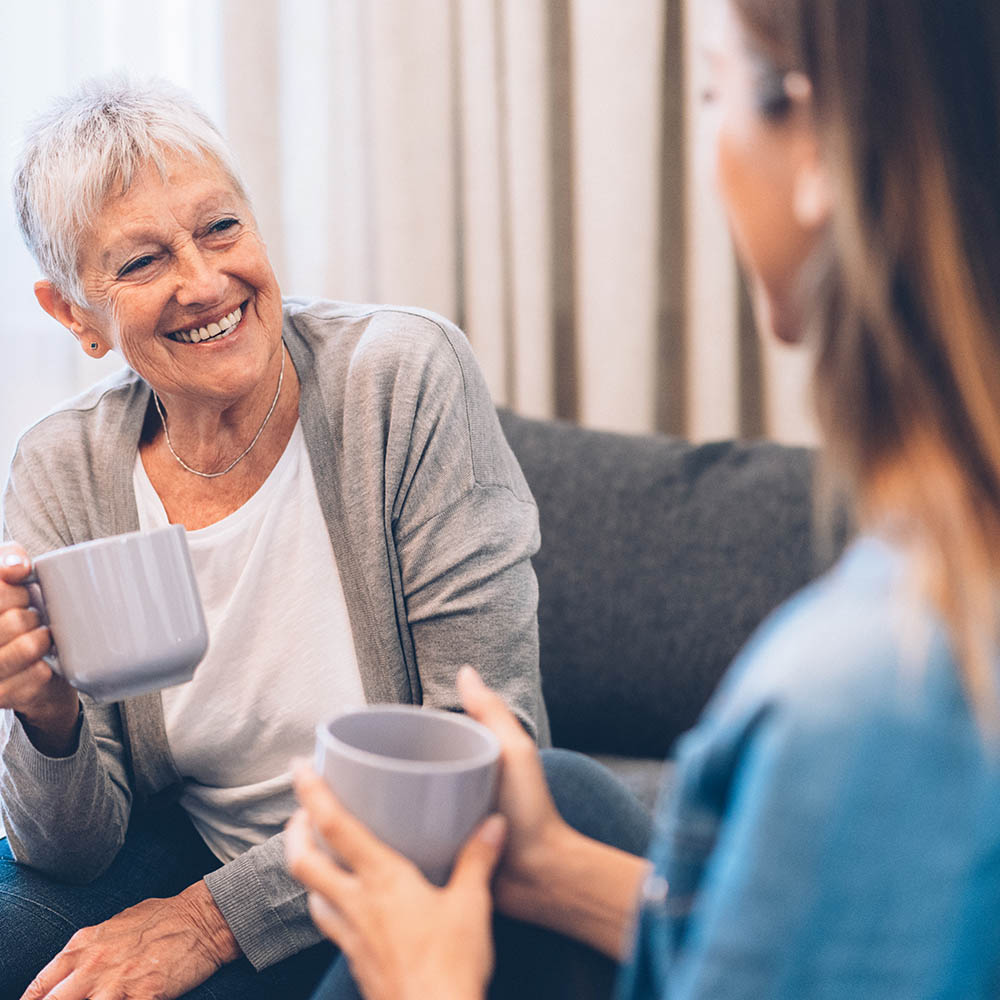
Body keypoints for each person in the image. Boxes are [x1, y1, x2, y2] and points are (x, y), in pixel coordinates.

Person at [286, 0, 1000, 996]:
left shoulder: (869, 696)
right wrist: (560, 872)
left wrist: (428, 981)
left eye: (716, 90)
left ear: (816, 155)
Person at [0, 76, 549, 1000]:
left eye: (221, 228)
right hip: (183, 850)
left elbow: (488, 744)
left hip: (399, 873)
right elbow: (73, 853)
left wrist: (212, 920)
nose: (205, 282)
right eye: (141, 263)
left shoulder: (401, 376)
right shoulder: (61, 466)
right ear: (73, 316)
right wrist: (41, 719)